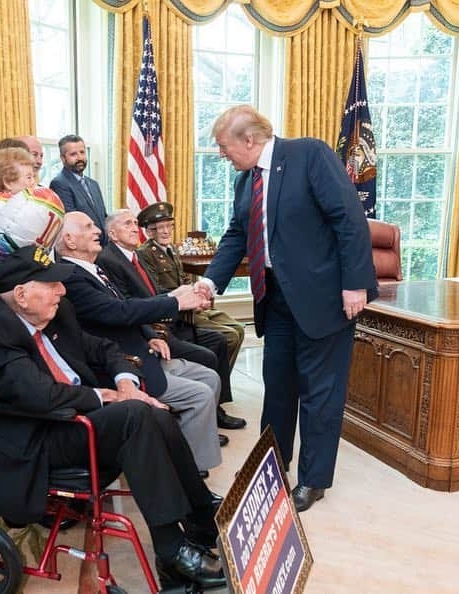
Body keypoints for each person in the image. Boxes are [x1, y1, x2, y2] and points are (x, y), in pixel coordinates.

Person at [0, 245, 225, 590]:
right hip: (38, 434)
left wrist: (125, 383)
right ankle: (171, 548)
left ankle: (200, 518)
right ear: (23, 295)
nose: (62, 289)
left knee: (154, 414)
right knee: (134, 416)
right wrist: (102, 396)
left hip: (73, 417)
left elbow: (102, 348)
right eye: (52, 284)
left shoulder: (55, 310)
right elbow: (35, 394)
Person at [197, 105, 378, 512]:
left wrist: (354, 284)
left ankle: (313, 481)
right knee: (277, 389)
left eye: (224, 147)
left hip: (325, 298)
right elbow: (236, 235)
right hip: (275, 299)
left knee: (320, 394)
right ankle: (272, 467)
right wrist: (210, 282)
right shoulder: (247, 181)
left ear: (249, 139)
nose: (221, 155)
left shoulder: (308, 155)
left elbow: (348, 220)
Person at [56, 212, 222, 473]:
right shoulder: (72, 277)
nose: (97, 230)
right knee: (200, 395)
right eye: (89, 227)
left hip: (142, 349)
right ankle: (190, 471)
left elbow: (126, 306)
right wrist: (176, 302)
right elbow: (117, 312)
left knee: (210, 377)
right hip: (125, 364)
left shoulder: (94, 268)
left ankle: (177, 449)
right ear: (70, 240)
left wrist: (151, 336)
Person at [97, 209, 243, 438]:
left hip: (163, 323)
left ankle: (215, 411)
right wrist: (176, 303)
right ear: (113, 234)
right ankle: (206, 415)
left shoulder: (134, 256)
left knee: (219, 340)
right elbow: (126, 306)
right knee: (207, 355)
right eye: (128, 224)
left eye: (136, 223)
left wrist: (186, 298)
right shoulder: (109, 260)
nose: (135, 228)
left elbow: (154, 292)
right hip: (151, 330)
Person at [50, 134, 108, 244]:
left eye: (82, 152)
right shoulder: (59, 183)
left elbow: (103, 217)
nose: (79, 158)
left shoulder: (93, 184)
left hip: (102, 247)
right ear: (63, 158)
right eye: (73, 154)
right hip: (81, 247)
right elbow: (71, 222)